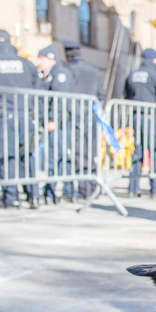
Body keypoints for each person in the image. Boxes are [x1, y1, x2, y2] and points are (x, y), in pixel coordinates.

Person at [0, 30, 41, 208]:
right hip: (27, 116)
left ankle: (11, 198)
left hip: (4, 117)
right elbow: (39, 93)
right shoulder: (27, 64)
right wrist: (39, 118)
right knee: (28, 156)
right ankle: (33, 196)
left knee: (8, 157)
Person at [124, 48, 156, 197]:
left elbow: (125, 95)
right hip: (151, 117)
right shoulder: (155, 76)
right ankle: (155, 190)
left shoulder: (132, 75)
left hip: (136, 117)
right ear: (155, 60)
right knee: (155, 152)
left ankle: (133, 188)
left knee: (137, 153)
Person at [63, 41, 105, 199]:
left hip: (73, 117)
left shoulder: (67, 69)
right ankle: (91, 189)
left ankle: (80, 191)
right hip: (91, 116)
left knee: (77, 154)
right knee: (91, 153)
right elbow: (101, 93)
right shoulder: (93, 70)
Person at [36, 44, 77, 204]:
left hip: (60, 123)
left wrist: (52, 119)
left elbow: (60, 101)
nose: (39, 62)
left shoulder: (60, 74)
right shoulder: (48, 75)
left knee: (59, 157)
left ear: (50, 59)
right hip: (53, 123)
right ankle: (51, 189)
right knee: (54, 157)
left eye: (41, 58)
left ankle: (65, 190)